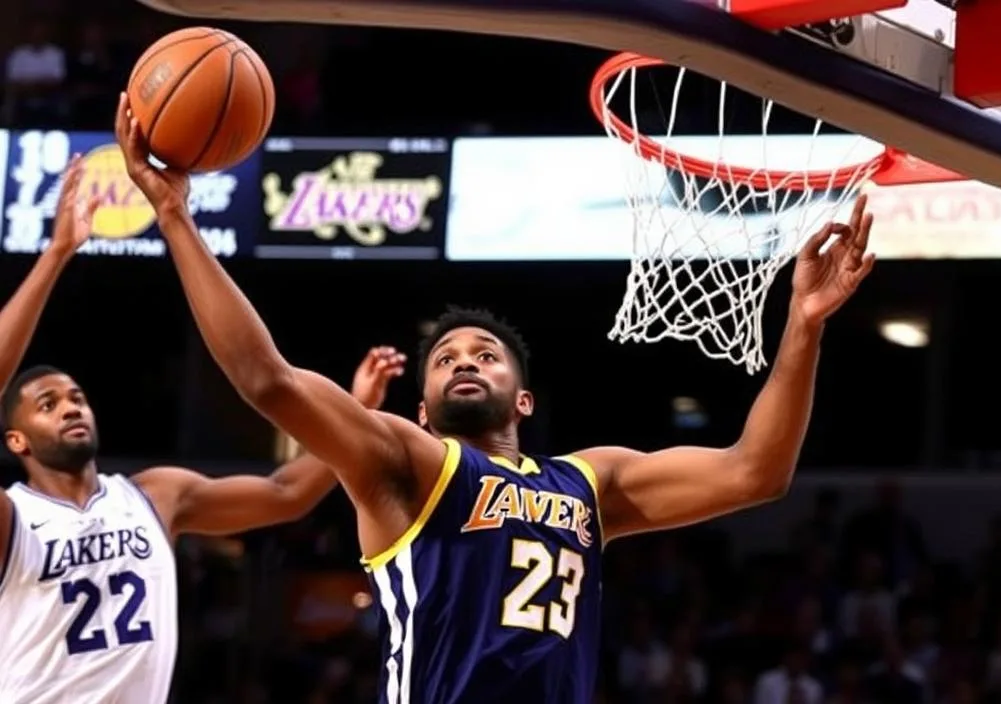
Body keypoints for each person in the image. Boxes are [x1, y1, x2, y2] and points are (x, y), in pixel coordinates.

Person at [116, 92, 875, 703]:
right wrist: (177, 216)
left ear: (524, 401)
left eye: (486, 355)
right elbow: (266, 379)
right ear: (421, 408)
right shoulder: (406, 462)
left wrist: (804, 326)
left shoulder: (589, 482)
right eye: (445, 359)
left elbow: (755, 473)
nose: (465, 361)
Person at [0, 155, 406, 703]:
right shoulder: (13, 517)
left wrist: (350, 415)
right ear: (16, 439)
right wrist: (56, 254)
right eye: (48, 404)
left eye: (77, 397)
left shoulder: (155, 495)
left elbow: (286, 493)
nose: (72, 407)